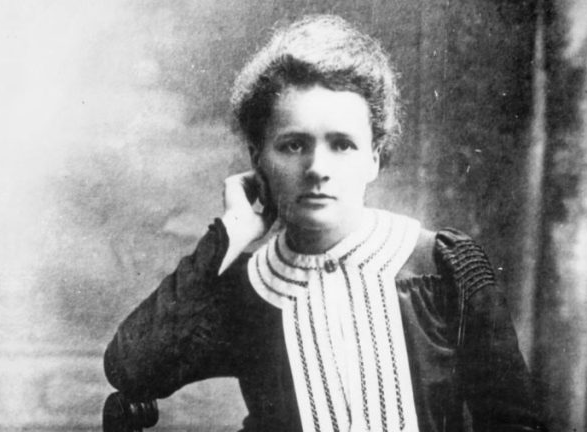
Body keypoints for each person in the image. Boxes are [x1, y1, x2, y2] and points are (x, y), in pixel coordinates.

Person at [104, 15, 545, 432]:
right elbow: (132, 369)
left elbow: (513, 421)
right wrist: (230, 233)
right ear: (258, 160)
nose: (317, 168)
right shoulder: (249, 288)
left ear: (374, 158)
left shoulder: (442, 267)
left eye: (342, 145)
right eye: (293, 146)